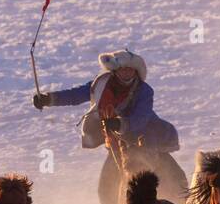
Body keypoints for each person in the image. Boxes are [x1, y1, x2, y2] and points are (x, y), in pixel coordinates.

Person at [33, 48, 180, 171]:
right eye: (123, 70)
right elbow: (75, 95)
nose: (127, 73)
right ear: (115, 71)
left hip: (143, 140)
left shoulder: (144, 91)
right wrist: (48, 99)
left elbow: (141, 118)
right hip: (114, 142)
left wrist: (120, 124)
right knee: (105, 189)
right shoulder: (100, 84)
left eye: (131, 70)